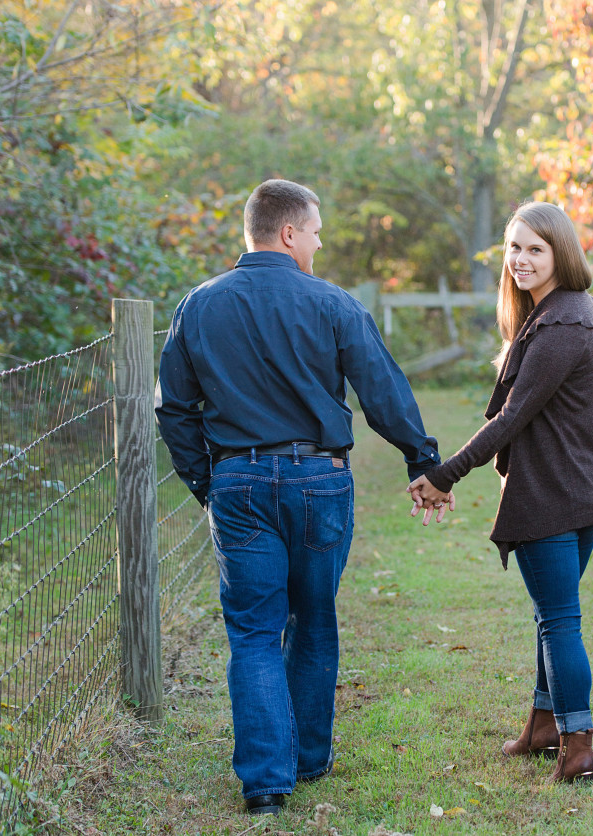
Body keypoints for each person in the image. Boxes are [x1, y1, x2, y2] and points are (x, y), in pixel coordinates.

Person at [155, 179, 449, 816]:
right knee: (313, 617)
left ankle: (266, 782)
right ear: (288, 232)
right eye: (315, 231)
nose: (318, 243)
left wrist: (206, 482)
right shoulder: (332, 304)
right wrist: (423, 461)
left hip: (238, 481)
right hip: (318, 481)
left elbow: (174, 409)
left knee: (254, 632)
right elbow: (383, 392)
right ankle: (309, 759)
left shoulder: (196, 307)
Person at [408, 201, 593, 783]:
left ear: (560, 253)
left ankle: (578, 746)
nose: (521, 260)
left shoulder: (560, 324)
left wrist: (443, 475)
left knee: (559, 622)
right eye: (514, 248)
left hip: (554, 497)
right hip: (583, 490)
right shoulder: (568, 313)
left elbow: (510, 420)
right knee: (554, 617)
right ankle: (544, 726)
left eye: (535, 249)